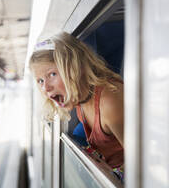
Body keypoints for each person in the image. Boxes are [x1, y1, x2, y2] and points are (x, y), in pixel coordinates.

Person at [29, 32, 124, 173]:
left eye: (52, 74)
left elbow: (145, 162)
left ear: (76, 68)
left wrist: (113, 173)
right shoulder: (81, 100)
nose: (45, 88)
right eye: (40, 80)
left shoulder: (108, 101)